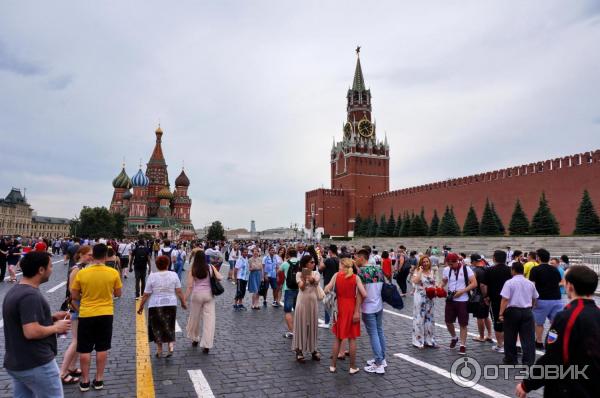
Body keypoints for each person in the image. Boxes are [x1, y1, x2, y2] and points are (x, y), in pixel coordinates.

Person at [515, 265, 600, 398]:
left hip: (569, 388)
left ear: (570, 286)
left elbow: (553, 357)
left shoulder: (566, 317)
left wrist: (527, 384)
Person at [3, 251, 71, 398]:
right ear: (41, 270)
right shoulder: (30, 296)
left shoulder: (16, 289)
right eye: (50, 266)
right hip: (36, 362)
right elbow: (31, 331)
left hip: (17, 362)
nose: (52, 270)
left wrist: (50, 317)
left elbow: (20, 319)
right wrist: (56, 327)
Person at [70, 244, 122, 392]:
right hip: (106, 313)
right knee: (102, 347)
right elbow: (118, 293)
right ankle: (99, 379)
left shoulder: (82, 273)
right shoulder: (113, 273)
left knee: (85, 349)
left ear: (93, 256)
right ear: (105, 256)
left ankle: (85, 381)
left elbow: (74, 295)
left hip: (86, 313)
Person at [137, 255, 187, 357]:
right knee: (169, 325)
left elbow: (146, 294)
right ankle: (170, 345)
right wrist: (183, 302)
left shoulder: (152, 276)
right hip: (170, 303)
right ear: (168, 264)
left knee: (157, 327)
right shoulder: (174, 275)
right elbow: (179, 291)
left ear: (157, 265)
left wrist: (141, 306)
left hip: (155, 304)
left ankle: (159, 350)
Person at [325, 257, 366, 374]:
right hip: (352, 308)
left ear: (342, 265)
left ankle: (332, 365)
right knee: (352, 338)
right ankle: (352, 367)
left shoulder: (336, 275)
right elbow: (364, 294)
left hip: (339, 308)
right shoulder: (355, 277)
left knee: (338, 338)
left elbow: (327, 289)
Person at [60, 246, 93, 385]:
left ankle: (72, 367)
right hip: (76, 307)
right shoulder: (76, 269)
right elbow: (72, 292)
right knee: (76, 341)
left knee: (80, 340)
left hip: (81, 306)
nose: (91, 257)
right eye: (88, 255)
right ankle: (62, 372)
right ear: (80, 254)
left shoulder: (83, 267)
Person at [498, 262, 538, 366]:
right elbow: (534, 298)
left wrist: (501, 313)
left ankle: (511, 359)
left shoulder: (509, 282)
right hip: (527, 311)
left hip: (512, 311)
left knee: (510, 336)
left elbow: (505, 299)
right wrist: (530, 308)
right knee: (528, 338)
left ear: (513, 270)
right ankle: (528, 361)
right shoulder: (530, 283)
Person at [356, 248, 387, 374]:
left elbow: (361, 293)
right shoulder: (378, 269)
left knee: (374, 333)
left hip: (368, 307)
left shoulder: (361, 272)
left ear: (362, 258)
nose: (355, 259)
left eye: (357, 257)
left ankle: (378, 363)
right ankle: (382, 358)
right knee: (379, 331)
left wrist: (357, 309)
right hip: (378, 304)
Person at [185, 250, 221, 353]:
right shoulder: (210, 267)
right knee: (209, 320)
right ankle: (207, 345)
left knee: (194, 318)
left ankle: (195, 338)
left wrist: (184, 299)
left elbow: (190, 286)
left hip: (196, 295)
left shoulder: (193, 269)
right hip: (209, 295)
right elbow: (219, 278)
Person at [441, 252, 477, 355]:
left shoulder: (466, 269)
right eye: (449, 264)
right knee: (448, 321)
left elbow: (474, 283)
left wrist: (462, 291)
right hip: (450, 299)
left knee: (463, 323)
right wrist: (440, 286)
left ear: (457, 261)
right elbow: (444, 281)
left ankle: (462, 345)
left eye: (452, 264)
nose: (450, 266)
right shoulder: (447, 269)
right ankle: (454, 337)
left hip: (463, 300)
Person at [529, 248, 563, 350]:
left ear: (538, 258)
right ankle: (553, 341)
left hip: (542, 299)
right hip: (556, 299)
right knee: (555, 323)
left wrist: (532, 301)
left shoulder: (535, 269)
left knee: (539, 323)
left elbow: (532, 286)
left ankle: (539, 341)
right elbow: (558, 282)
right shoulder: (555, 269)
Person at [480, 250, 512, 354]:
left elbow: (483, 285)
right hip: (509, 300)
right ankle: (509, 343)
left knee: (498, 322)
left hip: (495, 300)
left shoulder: (489, 270)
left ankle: (500, 345)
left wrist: (485, 296)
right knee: (509, 321)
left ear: (494, 258)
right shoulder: (510, 270)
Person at [292, 255, 321, 362]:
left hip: (313, 302)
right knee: (301, 325)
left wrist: (310, 277)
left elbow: (315, 282)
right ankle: (299, 350)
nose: (313, 264)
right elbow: (302, 287)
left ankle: (313, 349)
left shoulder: (316, 273)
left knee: (313, 325)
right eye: (311, 262)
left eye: (314, 262)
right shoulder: (299, 274)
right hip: (302, 302)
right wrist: (304, 277)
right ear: (305, 264)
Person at [411, 255, 438, 349]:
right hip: (420, 297)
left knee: (429, 319)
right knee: (419, 318)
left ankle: (429, 340)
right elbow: (415, 281)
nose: (426, 263)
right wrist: (420, 271)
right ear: (421, 263)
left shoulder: (432, 272)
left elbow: (435, 284)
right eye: (424, 262)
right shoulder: (417, 271)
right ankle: (418, 341)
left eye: (427, 261)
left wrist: (436, 291)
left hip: (430, 298)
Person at [470, 254, 493, 343]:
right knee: (486, 316)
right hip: (489, 295)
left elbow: (472, 283)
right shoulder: (487, 269)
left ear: (474, 261)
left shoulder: (475, 271)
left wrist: (484, 296)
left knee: (480, 317)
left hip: (479, 296)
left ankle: (482, 336)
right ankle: (490, 335)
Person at [280, 248, 300, 338]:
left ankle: (291, 331)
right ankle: (300, 329)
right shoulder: (301, 262)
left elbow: (278, 271)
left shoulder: (285, 263)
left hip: (288, 288)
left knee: (288, 311)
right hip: (299, 288)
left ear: (288, 254)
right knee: (298, 310)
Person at [319, 244, 339, 328]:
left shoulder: (328, 260)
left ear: (330, 251)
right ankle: (335, 322)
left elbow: (320, 269)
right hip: (337, 283)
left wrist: (321, 260)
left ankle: (327, 322)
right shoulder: (339, 260)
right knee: (335, 304)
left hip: (328, 284)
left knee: (327, 304)